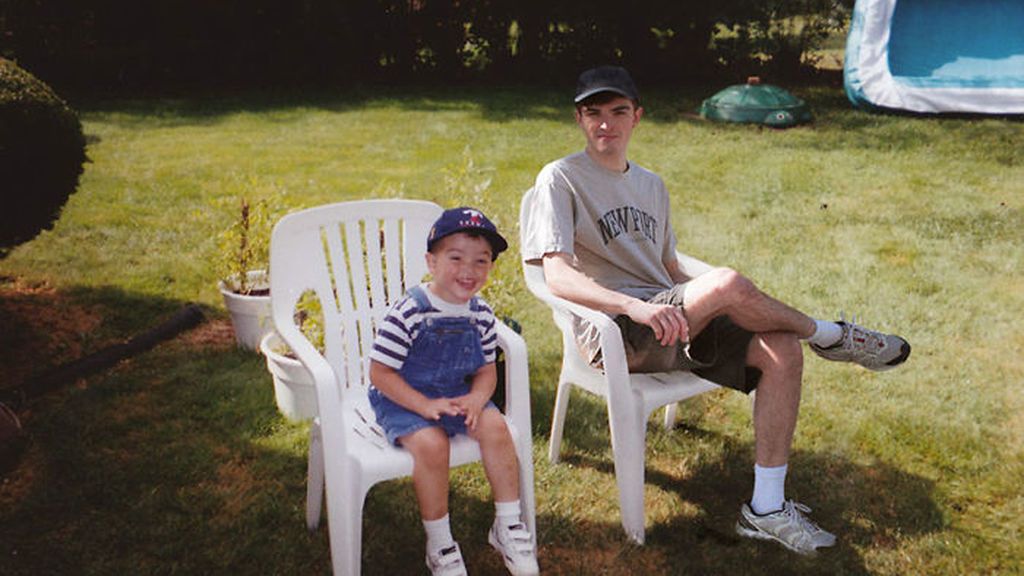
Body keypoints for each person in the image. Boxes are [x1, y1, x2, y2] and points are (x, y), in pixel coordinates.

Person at [520, 65, 911, 556]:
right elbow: (555, 275)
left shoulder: (651, 186)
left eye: (618, 111)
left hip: (671, 318)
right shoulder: (560, 178)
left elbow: (667, 267)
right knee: (726, 282)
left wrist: (719, 304)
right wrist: (634, 307)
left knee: (781, 348)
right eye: (593, 113)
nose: (605, 124)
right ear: (580, 119)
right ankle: (833, 334)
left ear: (636, 117)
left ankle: (765, 508)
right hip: (616, 332)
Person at [368, 207, 540, 576]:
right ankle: (440, 542)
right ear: (431, 261)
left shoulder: (480, 313)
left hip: (457, 394)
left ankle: (507, 525)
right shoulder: (410, 312)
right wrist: (423, 404)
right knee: (432, 445)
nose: (469, 270)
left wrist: (478, 398)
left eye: (481, 261)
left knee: (496, 428)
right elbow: (380, 373)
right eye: (456, 258)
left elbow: (485, 371)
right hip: (404, 397)